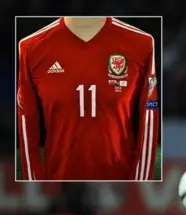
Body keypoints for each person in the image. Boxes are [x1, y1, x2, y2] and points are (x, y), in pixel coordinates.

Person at [17, 17, 159, 181]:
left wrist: (139, 185)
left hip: (119, 185)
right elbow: (27, 126)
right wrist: (34, 187)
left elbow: (149, 118)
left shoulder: (141, 44)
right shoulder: (31, 47)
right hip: (59, 186)